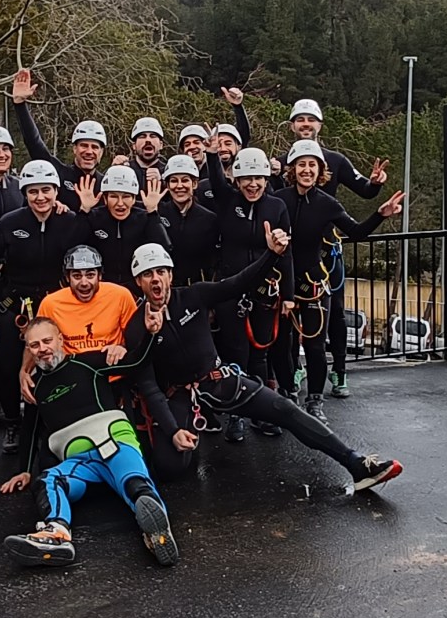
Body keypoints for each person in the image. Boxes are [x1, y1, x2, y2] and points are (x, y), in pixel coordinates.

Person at [125, 240, 403, 492]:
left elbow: (239, 282)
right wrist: (173, 431)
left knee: (286, 409)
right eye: (148, 274)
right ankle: (188, 436)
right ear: (139, 281)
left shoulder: (194, 296)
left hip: (218, 380)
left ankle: (356, 463)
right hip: (181, 395)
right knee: (169, 468)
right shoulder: (137, 327)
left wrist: (272, 255)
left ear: (171, 275)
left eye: (161, 271)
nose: (156, 279)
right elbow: (149, 386)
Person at [0, 316, 179, 569]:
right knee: (47, 480)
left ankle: (157, 531)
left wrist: (150, 334)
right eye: (35, 345)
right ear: (29, 350)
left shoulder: (88, 363)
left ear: (60, 339)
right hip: (80, 462)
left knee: (135, 484)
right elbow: (30, 428)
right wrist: (25, 470)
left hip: (113, 442)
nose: (43, 349)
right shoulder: (34, 386)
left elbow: (136, 361)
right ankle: (57, 533)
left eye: (47, 341)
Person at [273, 140, 404, 422]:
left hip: (313, 283)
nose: (306, 170)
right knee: (283, 344)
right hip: (283, 283)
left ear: (321, 170)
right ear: (292, 169)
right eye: (301, 165)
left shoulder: (327, 204)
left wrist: (380, 215)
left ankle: (315, 400)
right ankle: (286, 395)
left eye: (312, 165)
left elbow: (355, 232)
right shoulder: (278, 200)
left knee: (315, 345)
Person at [0, 159, 78, 454]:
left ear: (56, 191)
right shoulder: (10, 223)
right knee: (8, 365)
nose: (40, 197)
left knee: (56, 364)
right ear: (24, 193)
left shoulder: (68, 221)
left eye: (46, 190)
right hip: (15, 304)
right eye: (33, 191)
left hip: (53, 304)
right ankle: (13, 422)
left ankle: (55, 420)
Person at [204, 138, 294, 442]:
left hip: (265, 290)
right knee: (235, 353)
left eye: (258, 178)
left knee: (260, 354)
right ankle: (236, 415)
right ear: (237, 179)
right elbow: (216, 179)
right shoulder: (228, 200)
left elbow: (286, 252)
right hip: (231, 287)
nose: (252, 184)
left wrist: (290, 296)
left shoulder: (277, 206)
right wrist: (212, 154)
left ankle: (261, 414)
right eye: (246, 179)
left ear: (266, 179)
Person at [11, 67, 105, 211]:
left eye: (95, 147)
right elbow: (34, 143)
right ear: (74, 149)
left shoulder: (107, 183)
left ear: (101, 152)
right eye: (84, 145)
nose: (89, 151)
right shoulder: (58, 172)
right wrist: (20, 104)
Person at [72, 166, 171, 293]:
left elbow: (164, 249)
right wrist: (84, 211)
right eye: (114, 196)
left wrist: (153, 213)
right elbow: (71, 245)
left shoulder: (144, 218)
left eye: (126, 197)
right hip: (101, 289)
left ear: (134, 199)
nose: (120, 203)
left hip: (136, 289)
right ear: (105, 199)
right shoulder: (94, 217)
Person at [158, 156, 219, 286]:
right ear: (167, 185)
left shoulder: (209, 219)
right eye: (174, 181)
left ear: (195, 184)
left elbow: (213, 261)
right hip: (165, 287)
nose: (179, 186)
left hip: (196, 289)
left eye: (185, 180)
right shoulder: (158, 213)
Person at [110, 118, 166, 192]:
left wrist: (163, 183)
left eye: (153, 136)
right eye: (142, 136)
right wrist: (113, 172)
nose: (148, 140)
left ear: (161, 145)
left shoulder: (168, 172)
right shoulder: (125, 168)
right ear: (134, 145)